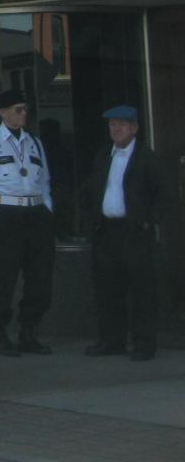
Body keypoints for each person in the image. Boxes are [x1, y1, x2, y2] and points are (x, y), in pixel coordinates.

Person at [0, 89, 55, 357]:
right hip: (6, 215)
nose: (23, 114)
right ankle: (1, 334)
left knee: (40, 277)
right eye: (18, 109)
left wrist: (47, 209)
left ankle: (29, 332)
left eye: (25, 109)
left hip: (35, 215)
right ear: (3, 113)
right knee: (3, 278)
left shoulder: (34, 142)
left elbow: (45, 181)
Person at [83, 104, 164, 362]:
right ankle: (111, 340)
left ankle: (144, 343)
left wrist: (149, 221)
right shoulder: (103, 156)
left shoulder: (147, 158)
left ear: (134, 128)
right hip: (108, 232)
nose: (116, 129)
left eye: (121, 124)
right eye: (112, 124)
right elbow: (92, 191)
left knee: (141, 290)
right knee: (108, 289)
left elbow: (164, 195)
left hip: (135, 231)